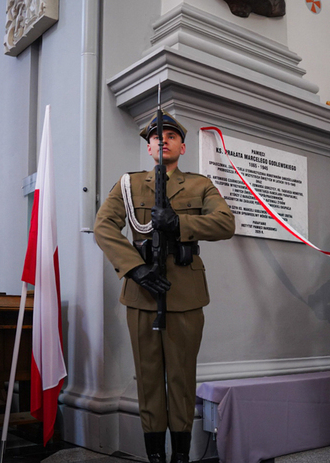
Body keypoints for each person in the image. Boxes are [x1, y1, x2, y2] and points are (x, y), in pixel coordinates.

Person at [94, 111, 235, 463]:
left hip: (185, 294)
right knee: (149, 376)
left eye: (170, 136)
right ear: (149, 146)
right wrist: (134, 269)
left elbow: (225, 222)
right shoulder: (128, 184)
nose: (163, 140)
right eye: (156, 137)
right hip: (142, 293)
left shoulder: (200, 185)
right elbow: (104, 227)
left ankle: (181, 455)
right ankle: (155, 454)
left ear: (182, 146)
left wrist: (179, 222)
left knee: (183, 377)